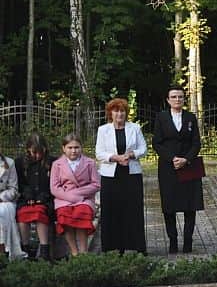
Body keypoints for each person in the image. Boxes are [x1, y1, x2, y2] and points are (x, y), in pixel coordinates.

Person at [153, 87, 204, 254]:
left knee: (190, 205)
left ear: (184, 99)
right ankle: (173, 240)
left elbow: (196, 143)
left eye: (180, 97)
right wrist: (173, 158)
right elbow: (157, 143)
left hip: (189, 166)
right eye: (174, 97)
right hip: (168, 167)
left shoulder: (190, 117)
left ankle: (188, 241)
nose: (177, 100)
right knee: (169, 206)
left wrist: (186, 159)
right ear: (168, 100)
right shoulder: (161, 118)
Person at [95, 98, 149, 254]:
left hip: (131, 175)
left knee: (133, 210)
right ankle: (112, 248)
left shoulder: (135, 128)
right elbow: (99, 153)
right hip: (110, 176)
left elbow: (143, 149)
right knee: (111, 210)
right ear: (110, 113)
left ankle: (137, 246)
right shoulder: (103, 130)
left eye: (122, 111)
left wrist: (131, 155)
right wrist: (116, 158)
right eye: (116, 111)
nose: (119, 114)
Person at [50, 134, 100, 257]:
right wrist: (69, 197)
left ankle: (83, 251)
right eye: (70, 147)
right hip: (64, 198)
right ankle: (74, 252)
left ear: (81, 148)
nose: (73, 151)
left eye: (76, 147)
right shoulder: (57, 164)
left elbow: (96, 184)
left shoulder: (90, 163)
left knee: (82, 213)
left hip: (84, 198)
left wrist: (78, 194)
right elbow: (54, 188)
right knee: (64, 215)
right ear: (63, 148)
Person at [15, 134, 55, 260]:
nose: (37, 156)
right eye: (34, 152)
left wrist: (43, 196)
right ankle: (25, 249)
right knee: (22, 214)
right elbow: (20, 183)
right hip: (26, 199)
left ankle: (44, 251)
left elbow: (54, 183)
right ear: (28, 149)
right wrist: (28, 195)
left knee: (39, 213)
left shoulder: (53, 162)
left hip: (46, 198)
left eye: (40, 152)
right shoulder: (20, 163)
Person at [0, 147, 28, 261]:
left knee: (2, 212)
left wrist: (1, 198)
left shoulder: (9, 162)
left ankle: (3, 253)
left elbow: (13, 189)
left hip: (5, 200)